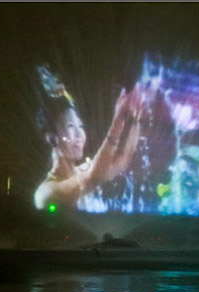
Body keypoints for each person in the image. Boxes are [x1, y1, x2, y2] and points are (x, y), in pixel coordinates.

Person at [33, 65, 143, 210]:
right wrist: (117, 122)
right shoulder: (45, 193)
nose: (80, 135)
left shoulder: (83, 170)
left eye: (81, 126)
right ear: (52, 138)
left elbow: (123, 160)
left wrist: (135, 117)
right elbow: (92, 177)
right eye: (70, 126)